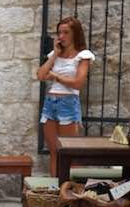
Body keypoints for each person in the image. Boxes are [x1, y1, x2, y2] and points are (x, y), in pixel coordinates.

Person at [36, 17, 94, 175]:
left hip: (68, 103)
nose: (61, 36)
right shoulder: (56, 54)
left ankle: (71, 192)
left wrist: (55, 76)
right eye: (59, 32)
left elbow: (78, 83)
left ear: (75, 34)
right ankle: (56, 193)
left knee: (69, 152)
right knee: (54, 151)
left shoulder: (83, 55)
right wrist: (55, 54)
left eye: (66, 32)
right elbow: (40, 75)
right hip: (50, 103)